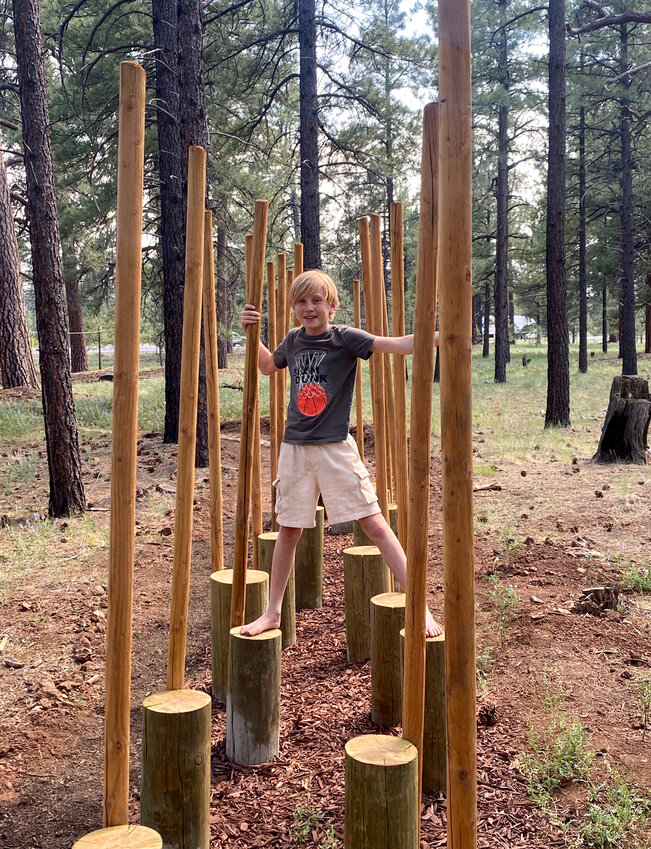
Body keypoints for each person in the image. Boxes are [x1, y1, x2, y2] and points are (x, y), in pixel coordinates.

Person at [240, 269, 442, 638]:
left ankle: (421, 606)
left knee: (375, 524)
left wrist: (444, 335)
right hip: (295, 448)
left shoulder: (345, 338)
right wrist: (250, 334)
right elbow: (268, 366)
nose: (308, 308)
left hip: (335, 447)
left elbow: (397, 345)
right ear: (294, 308)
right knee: (288, 532)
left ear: (332, 306)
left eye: (316, 301)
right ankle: (272, 613)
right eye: (301, 302)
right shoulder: (293, 340)